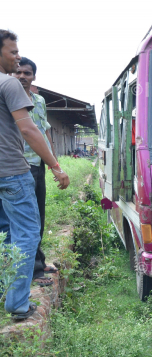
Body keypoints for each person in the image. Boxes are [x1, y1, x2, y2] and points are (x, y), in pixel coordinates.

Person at [0, 29, 69, 320]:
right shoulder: (9, 84)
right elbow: (29, 129)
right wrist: (56, 166)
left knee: (6, 233)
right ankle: (17, 303)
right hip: (13, 171)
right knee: (27, 233)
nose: (17, 57)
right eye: (13, 51)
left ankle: (8, 290)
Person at [14, 57, 59, 287]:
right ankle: (33, 272)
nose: (22, 76)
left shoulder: (39, 101)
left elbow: (44, 133)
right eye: (18, 72)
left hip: (37, 165)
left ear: (33, 77)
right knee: (27, 221)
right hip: (18, 167)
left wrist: (54, 164)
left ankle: (39, 262)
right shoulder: (9, 97)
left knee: (39, 216)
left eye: (27, 73)